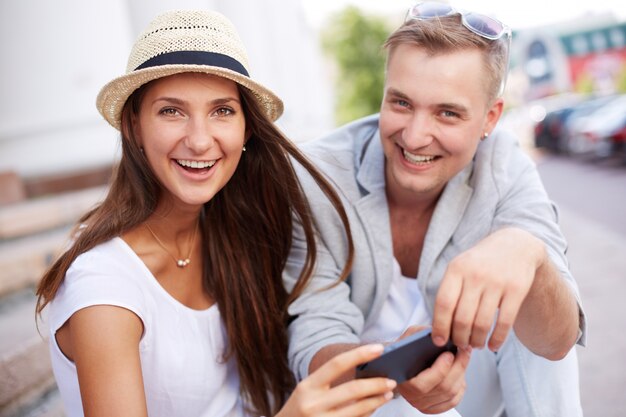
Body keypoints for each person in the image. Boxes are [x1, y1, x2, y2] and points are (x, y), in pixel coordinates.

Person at [35, 9, 398, 417]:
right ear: (134, 125)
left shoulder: (233, 230)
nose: (200, 140)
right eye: (171, 110)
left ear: (246, 128)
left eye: (222, 110)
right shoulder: (103, 287)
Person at [285, 2, 586, 417]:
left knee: (530, 292)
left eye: (447, 113)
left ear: (490, 118)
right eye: (402, 103)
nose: (415, 136)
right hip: (372, 397)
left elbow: (557, 345)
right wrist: (400, 372)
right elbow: (314, 342)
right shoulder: (316, 177)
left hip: (473, 388)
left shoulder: (505, 166)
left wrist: (528, 252)